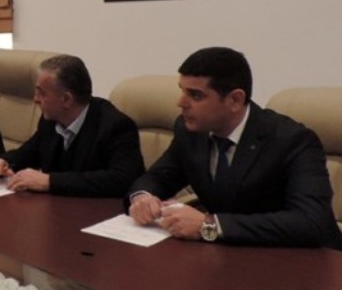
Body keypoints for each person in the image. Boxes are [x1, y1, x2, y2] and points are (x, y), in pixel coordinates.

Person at [126, 47, 342, 248]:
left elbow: (310, 222)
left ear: (235, 100)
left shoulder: (292, 141)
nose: (181, 102)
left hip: (303, 261)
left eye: (196, 95)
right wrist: (143, 198)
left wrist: (209, 225)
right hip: (229, 254)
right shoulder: (190, 130)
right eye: (182, 90)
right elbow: (158, 177)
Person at [0, 55, 144, 196]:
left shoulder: (115, 126)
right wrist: (4, 162)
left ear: (66, 99)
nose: (35, 99)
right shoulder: (50, 119)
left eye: (41, 93)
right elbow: (30, 152)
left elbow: (122, 179)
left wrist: (49, 181)